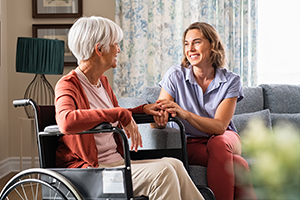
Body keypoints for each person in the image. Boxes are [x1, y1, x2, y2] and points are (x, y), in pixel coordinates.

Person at [54, 16, 204, 200]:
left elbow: (110, 117)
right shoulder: (68, 85)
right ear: (99, 49)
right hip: (91, 174)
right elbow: (66, 122)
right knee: (163, 173)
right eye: (115, 44)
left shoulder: (102, 82)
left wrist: (142, 109)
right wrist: (120, 112)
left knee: (174, 164)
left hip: (115, 163)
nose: (119, 49)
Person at [153, 22, 257, 200]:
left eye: (197, 42)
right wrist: (159, 118)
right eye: (186, 43)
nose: (190, 48)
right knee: (238, 163)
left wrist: (185, 114)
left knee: (218, 142)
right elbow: (158, 117)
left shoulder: (231, 80)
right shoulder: (175, 76)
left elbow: (219, 127)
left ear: (213, 45)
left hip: (226, 138)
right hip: (192, 143)